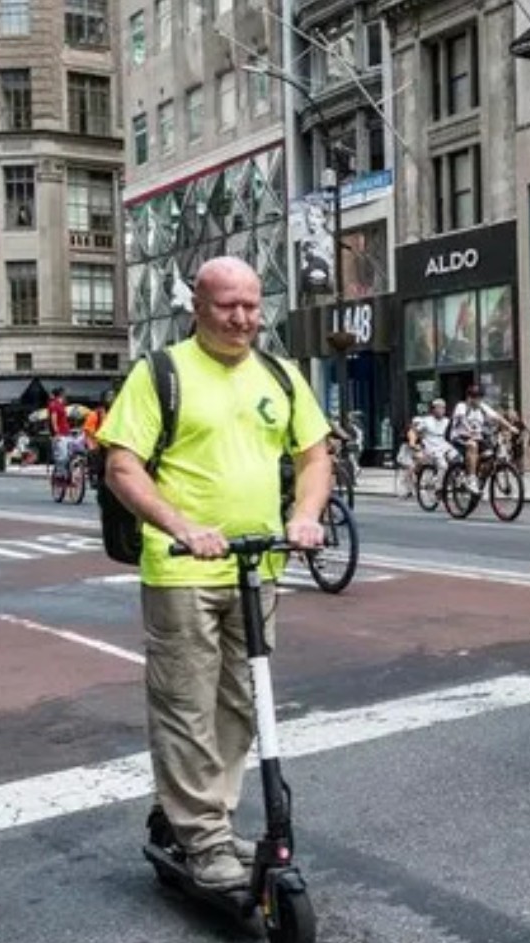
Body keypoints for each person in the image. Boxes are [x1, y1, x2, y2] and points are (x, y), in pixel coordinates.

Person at [98, 257, 330, 891]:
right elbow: (123, 466)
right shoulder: (162, 374)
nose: (242, 317)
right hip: (182, 573)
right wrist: (180, 528)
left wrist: (305, 515)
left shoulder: (281, 376)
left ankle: (201, 818)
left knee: (239, 703)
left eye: (252, 305)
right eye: (228, 305)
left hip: (258, 567)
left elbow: (314, 457)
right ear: (197, 307)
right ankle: (202, 836)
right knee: (186, 705)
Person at [449, 384, 515, 491]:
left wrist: (510, 427)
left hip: (477, 437)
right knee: (472, 445)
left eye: (480, 397)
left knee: (491, 455)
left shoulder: (482, 407)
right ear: (469, 398)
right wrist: (469, 430)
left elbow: (497, 417)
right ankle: (471, 479)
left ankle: (480, 478)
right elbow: (462, 419)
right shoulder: (461, 406)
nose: (478, 400)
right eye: (476, 397)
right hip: (460, 437)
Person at [409, 398, 458, 471]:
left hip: (444, 446)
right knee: (443, 465)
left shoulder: (447, 421)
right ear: (433, 409)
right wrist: (412, 443)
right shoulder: (426, 421)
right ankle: (439, 482)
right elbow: (413, 431)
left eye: (443, 408)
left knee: (456, 459)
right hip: (430, 447)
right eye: (438, 407)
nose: (441, 410)